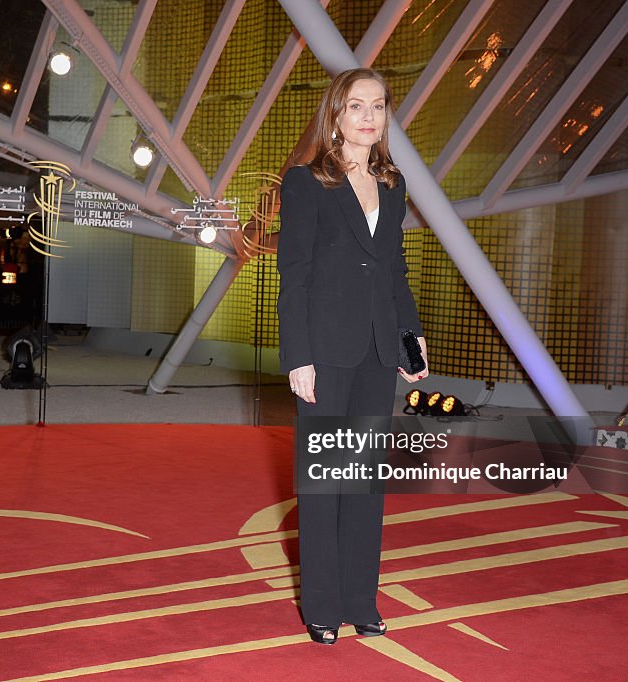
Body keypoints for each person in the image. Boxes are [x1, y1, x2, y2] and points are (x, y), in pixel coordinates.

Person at [277, 68, 429, 645]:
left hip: (375, 350)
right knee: (324, 483)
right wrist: (299, 357)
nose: (369, 117)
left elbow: (393, 270)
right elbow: (294, 275)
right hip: (323, 349)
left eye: (379, 106)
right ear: (335, 114)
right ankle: (320, 606)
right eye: (356, 106)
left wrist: (409, 338)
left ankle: (360, 600)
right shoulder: (305, 182)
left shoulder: (393, 183)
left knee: (364, 481)